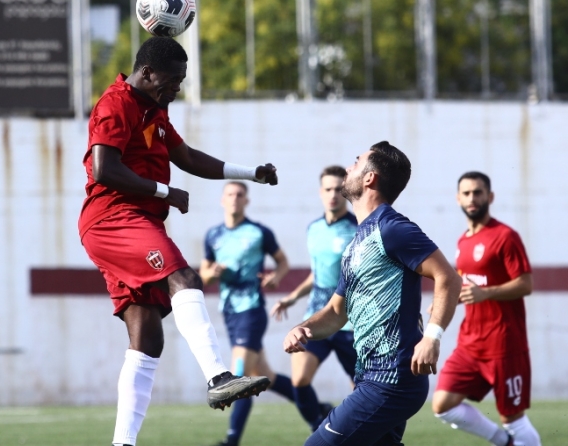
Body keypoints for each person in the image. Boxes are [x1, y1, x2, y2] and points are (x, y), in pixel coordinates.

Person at [78, 37, 276, 446]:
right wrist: (164, 192)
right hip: (115, 218)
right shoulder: (115, 104)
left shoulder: (153, 109)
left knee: (148, 337)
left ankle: (122, 443)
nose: (178, 87)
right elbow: (103, 169)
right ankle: (218, 377)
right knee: (183, 278)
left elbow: (186, 157)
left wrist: (250, 173)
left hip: (133, 220)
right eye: (173, 79)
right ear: (148, 72)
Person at [283, 141, 462, 446]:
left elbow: (449, 277)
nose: (348, 168)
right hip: (370, 375)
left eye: (356, 162)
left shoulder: (391, 228)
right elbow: (336, 313)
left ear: (369, 178)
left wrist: (432, 337)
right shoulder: (357, 241)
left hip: (391, 379)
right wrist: (303, 328)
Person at [431, 172, 541, 446]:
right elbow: (467, 285)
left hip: (505, 343)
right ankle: (504, 442)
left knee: (512, 418)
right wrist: (449, 299)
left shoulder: (505, 236)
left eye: (478, 192)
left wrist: (487, 293)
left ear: (490, 197)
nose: (472, 198)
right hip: (470, 344)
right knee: (443, 404)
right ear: (458, 198)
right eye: (466, 193)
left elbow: (525, 284)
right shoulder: (462, 242)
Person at [200, 181, 293, 446]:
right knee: (266, 376)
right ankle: (318, 410)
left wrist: (276, 278)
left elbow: (283, 262)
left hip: (252, 310)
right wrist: (213, 273)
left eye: (240, 194)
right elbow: (204, 275)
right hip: (230, 312)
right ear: (222, 200)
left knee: (238, 375)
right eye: (230, 194)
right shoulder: (213, 235)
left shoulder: (259, 232)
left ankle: (232, 439)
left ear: (246, 200)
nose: (234, 198)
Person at [271, 165, 358, 432]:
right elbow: (317, 274)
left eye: (338, 189)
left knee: (362, 389)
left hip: (350, 321)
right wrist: (291, 298)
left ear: (346, 192)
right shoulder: (314, 228)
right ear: (321, 192)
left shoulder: (358, 228)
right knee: (299, 380)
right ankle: (319, 427)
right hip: (317, 317)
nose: (333, 194)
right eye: (328, 189)